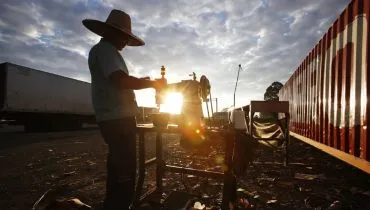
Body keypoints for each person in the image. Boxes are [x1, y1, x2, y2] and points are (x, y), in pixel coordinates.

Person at [82, 9, 165, 210]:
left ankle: (113, 204)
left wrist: (144, 81)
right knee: (125, 174)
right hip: (117, 120)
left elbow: (120, 80)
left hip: (115, 119)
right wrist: (153, 83)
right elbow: (120, 80)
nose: (126, 43)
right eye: (125, 38)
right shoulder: (105, 51)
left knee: (118, 169)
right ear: (113, 33)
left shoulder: (107, 52)